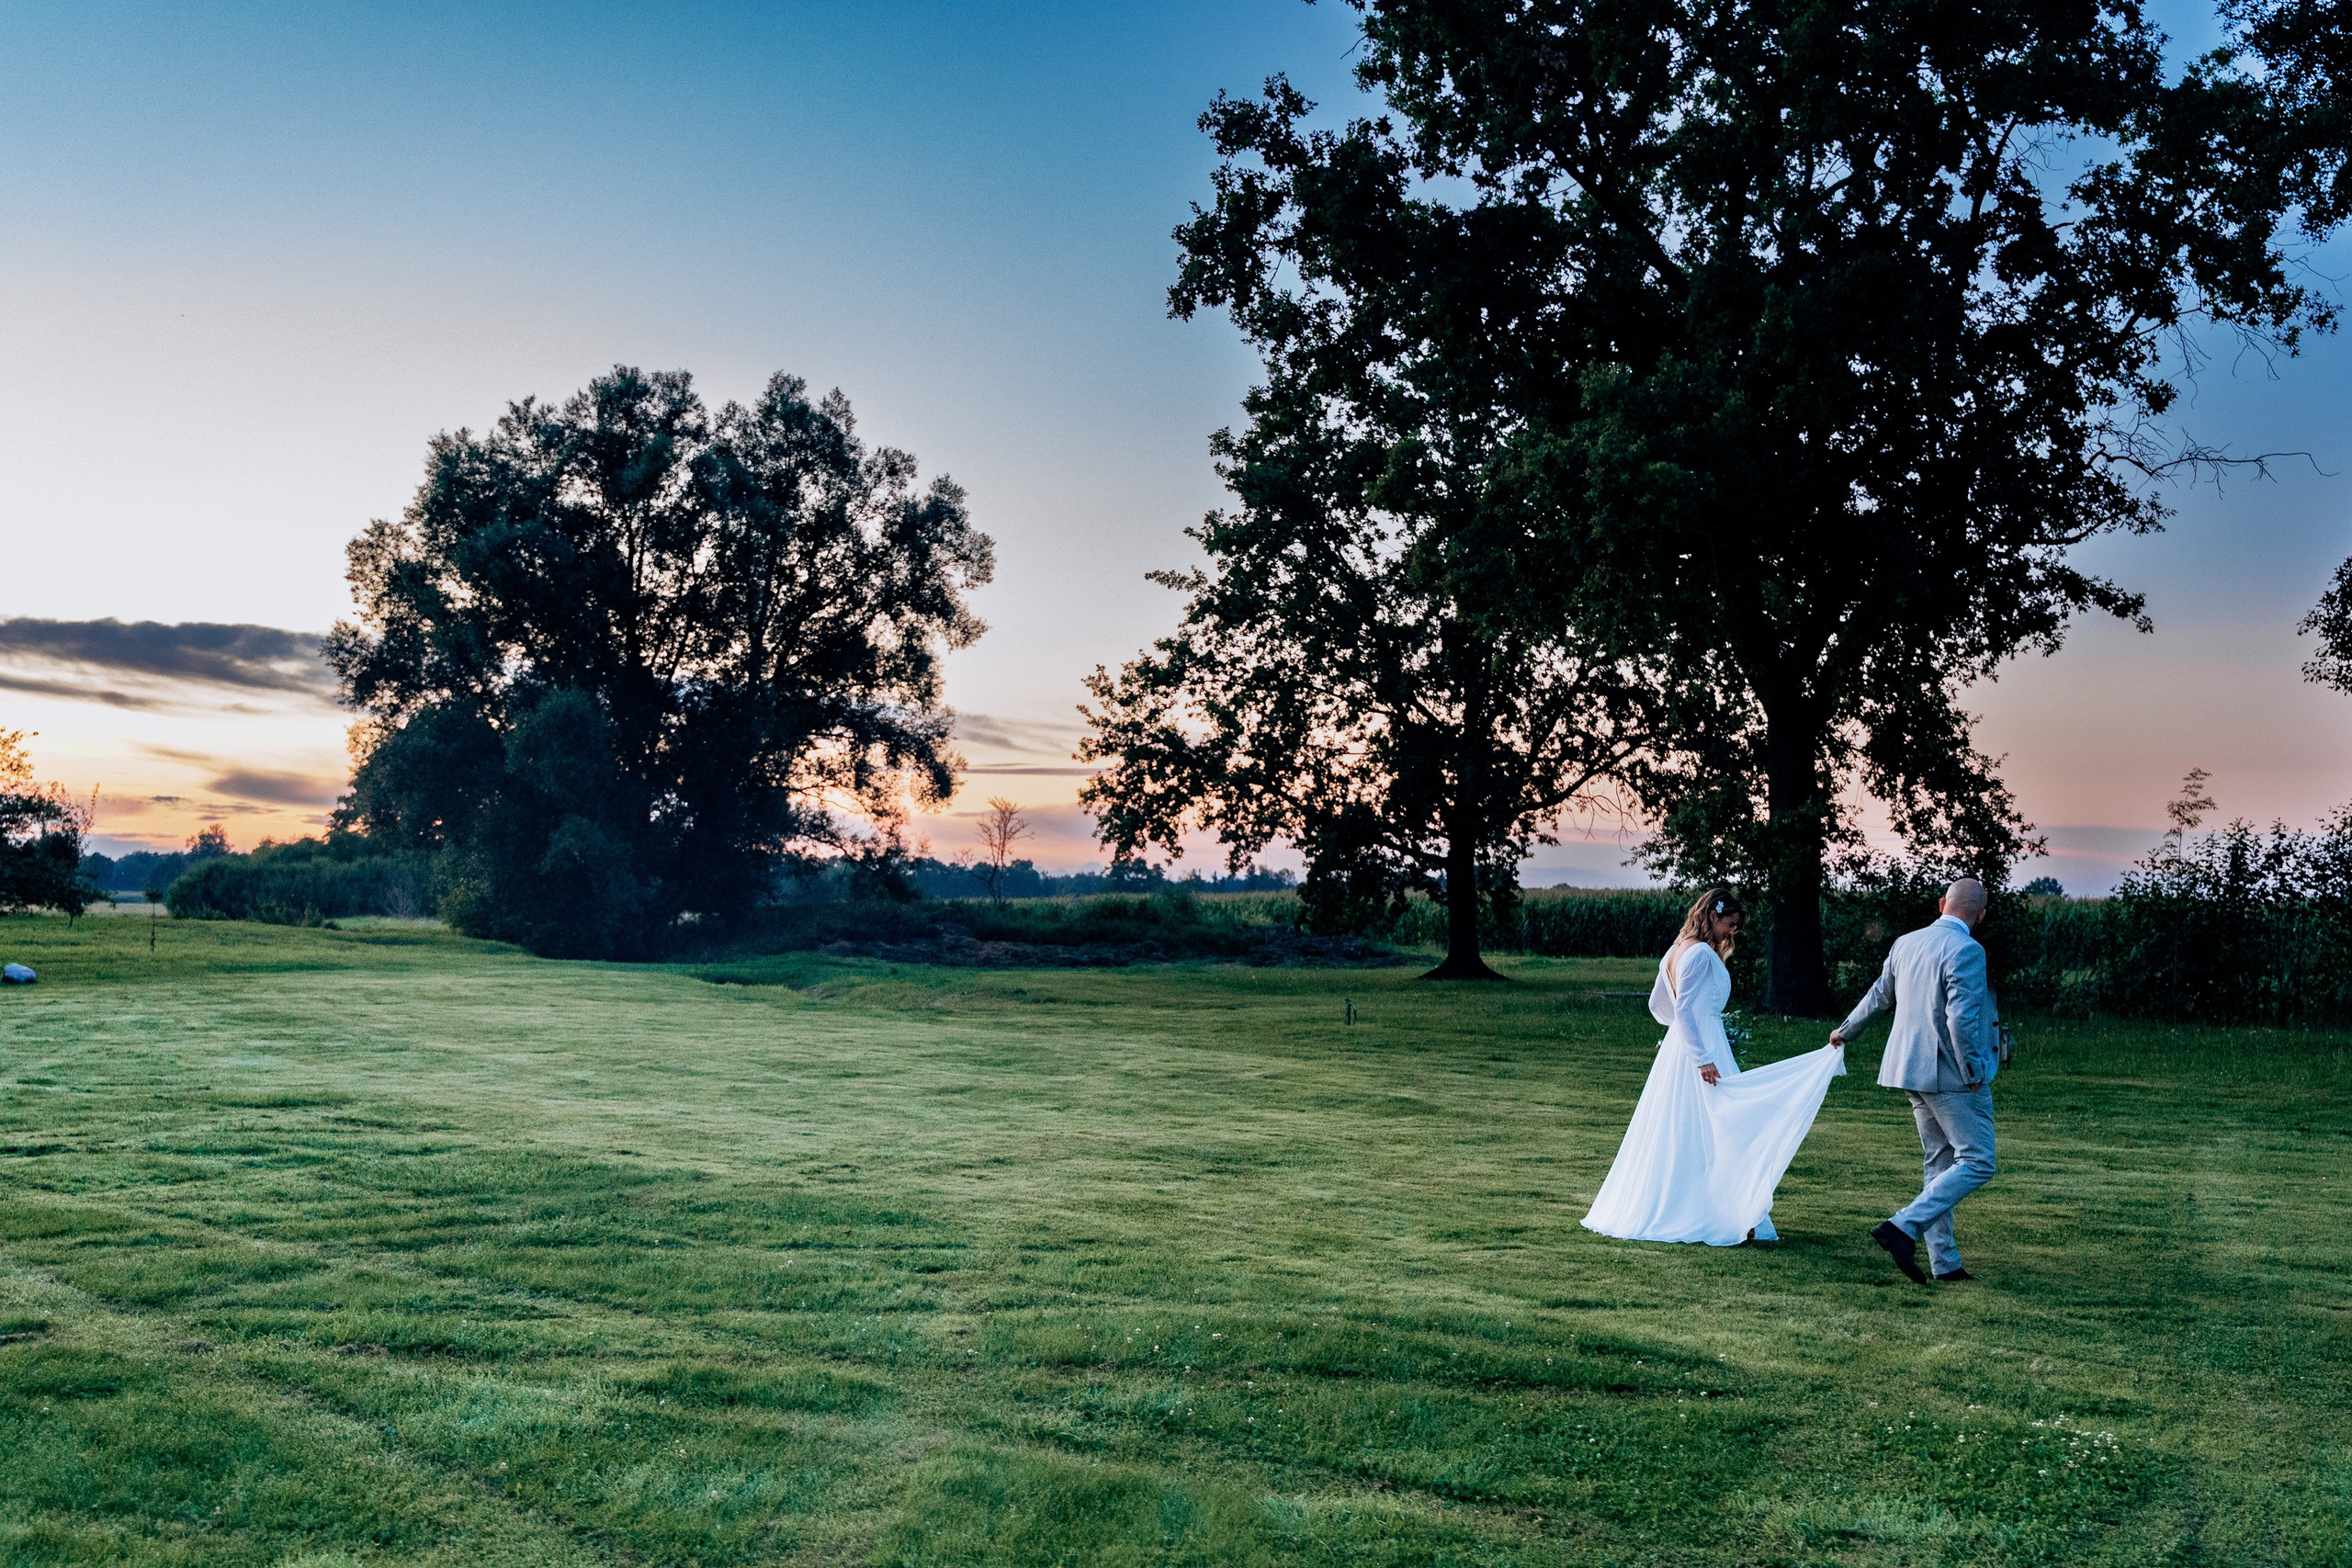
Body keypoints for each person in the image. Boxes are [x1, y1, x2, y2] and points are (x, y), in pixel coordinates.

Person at [1582, 887, 1847, 1246]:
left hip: (1685, 1049)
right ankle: (1725, 1214)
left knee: (1693, 1126)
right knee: (1724, 1126)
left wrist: (1679, 1038)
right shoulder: (1702, 954)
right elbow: (1686, 1010)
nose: (1732, 933)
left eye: (1736, 927)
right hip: (1703, 1050)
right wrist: (1701, 1053)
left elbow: (1659, 1006)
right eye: (1730, 924)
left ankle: (1725, 1210)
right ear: (1711, 915)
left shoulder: (1674, 952)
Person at [1831, 876, 2001, 1284]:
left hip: (1910, 1070)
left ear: (1942, 903)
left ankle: (1946, 1264)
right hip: (1950, 1073)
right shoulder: (1967, 949)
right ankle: (1903, 1226)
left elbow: (1879, 994)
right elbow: (1960, 1018)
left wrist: (1845, 1030)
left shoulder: (1906, 942)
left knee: (1940, 1161)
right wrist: (1973, 1069)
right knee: (1979, 1161)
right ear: (1981, 915)